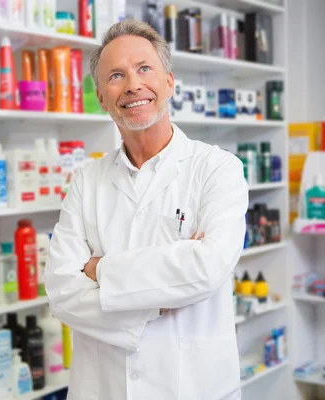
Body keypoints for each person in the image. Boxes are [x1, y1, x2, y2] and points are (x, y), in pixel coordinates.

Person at [45, 19, 248, 400]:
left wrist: (100, 269)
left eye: (144, 69)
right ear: (102, 97)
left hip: (194, 387)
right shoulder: (86, 181)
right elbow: (61, 292)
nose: (133, 85)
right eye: (116, 75)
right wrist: (158, 303)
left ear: (168, 82)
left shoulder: (218, 169)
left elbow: (207, 267)